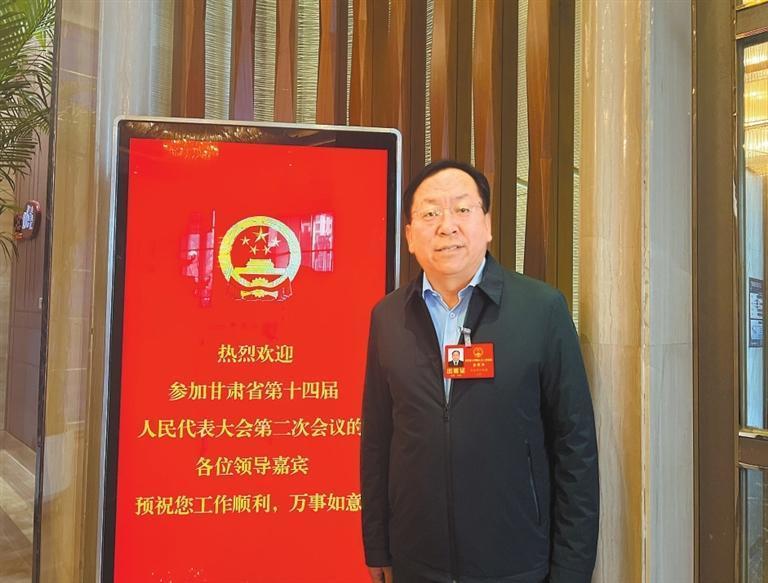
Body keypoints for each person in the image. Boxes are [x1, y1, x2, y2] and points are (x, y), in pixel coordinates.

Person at [361, 160, 599, 583]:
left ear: (486, 225)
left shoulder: (541, 310)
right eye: (430, 213)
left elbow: (574, 444)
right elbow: (377, 439)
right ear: (410, 235)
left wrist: (572, 568)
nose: (447, 226)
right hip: (417, 562)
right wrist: (377, 543)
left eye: (462, 209)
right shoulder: (388, 318)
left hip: (517, 563)